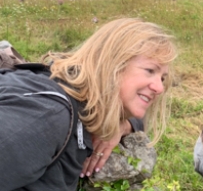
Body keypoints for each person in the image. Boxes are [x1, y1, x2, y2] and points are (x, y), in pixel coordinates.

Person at [0, 18, 177, 190]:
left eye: (162, 78)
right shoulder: (47, 116)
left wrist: (120, 124)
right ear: (112, 63)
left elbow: (140, 114)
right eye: (150, 71)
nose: (159, 87)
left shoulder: (81, 102)